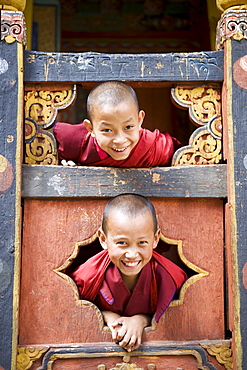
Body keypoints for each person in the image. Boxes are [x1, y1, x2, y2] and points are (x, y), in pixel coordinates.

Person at [70, 194, 187, 352]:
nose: (132, 254)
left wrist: (140, 321)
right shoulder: (88, 275)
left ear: (155, 239)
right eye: (122, 243)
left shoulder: (169, 276)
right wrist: (107, 316)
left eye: (142, 243)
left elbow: (174, 315)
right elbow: (74, 311)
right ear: (103, 239)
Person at [54, 81, 181, 167]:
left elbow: (184, 157)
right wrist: (63, 164)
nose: (120, 140)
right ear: (90, 128)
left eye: (128, 127)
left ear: (139, 120)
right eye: (107, 130)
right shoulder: (71, 142)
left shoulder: (156, 148)